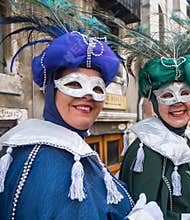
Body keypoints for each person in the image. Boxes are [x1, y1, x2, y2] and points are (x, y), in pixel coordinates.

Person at [0, 2, 162, 219]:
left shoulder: (73, 151)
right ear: (51, 90)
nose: (87, 95)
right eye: (74, 84)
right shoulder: (50, 163)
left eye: (97, 88)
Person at [118, 16, 190, 220]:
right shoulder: (145, 151)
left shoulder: (189, 140)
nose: (178, 103)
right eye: (167, 96)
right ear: (155, 102)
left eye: (185, 94)